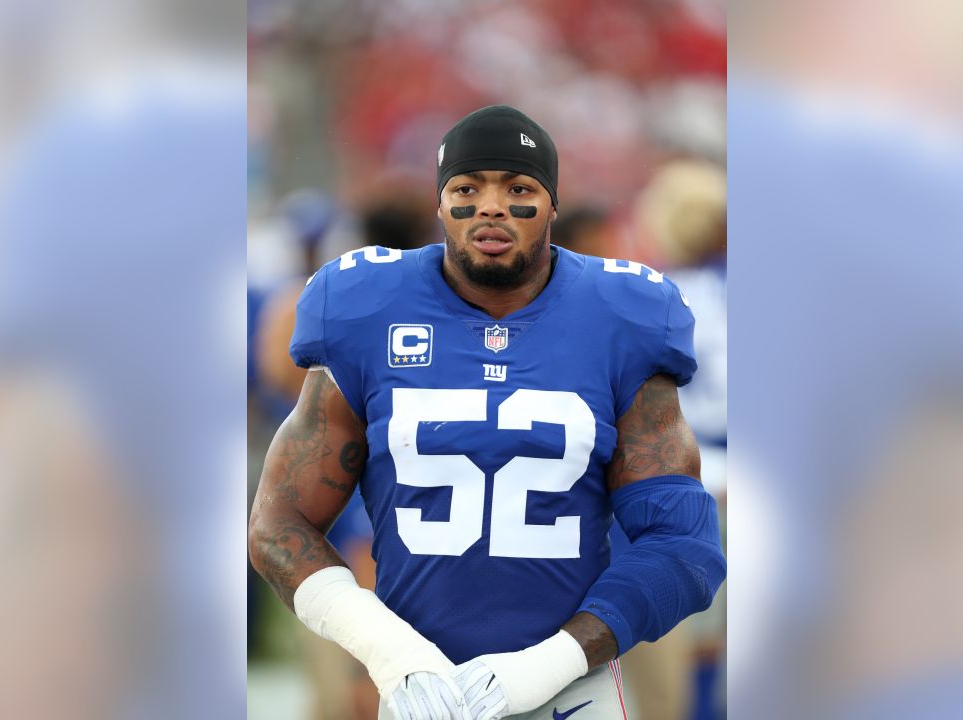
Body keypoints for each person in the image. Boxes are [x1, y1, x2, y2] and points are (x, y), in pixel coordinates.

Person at [248, 105, 726, 720]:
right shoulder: (364, 306)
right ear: (440, 205)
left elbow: (685, 545)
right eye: (467, 188)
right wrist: (390, 651)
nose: (492, 206)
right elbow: (279, 522)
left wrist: (547, 664)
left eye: (519, 188)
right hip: (418, 687)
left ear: (552, 205)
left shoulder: (623, 315)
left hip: (566, 690)